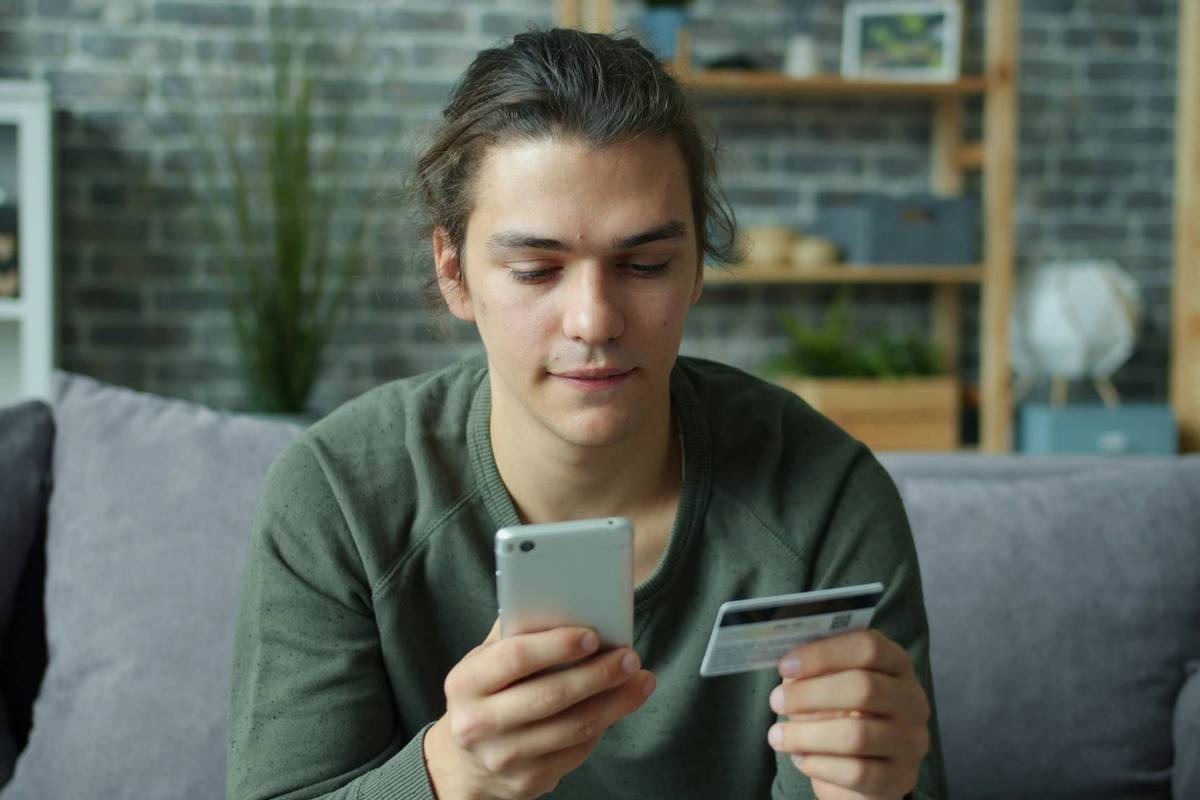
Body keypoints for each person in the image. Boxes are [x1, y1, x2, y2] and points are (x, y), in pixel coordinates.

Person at [227, 27, 947, 800]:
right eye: (536, 271)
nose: (594, 320)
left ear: (697, 268)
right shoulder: (337, 494)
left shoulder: (825, 494)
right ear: (454, 273)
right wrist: (454, 774)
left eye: (645, 264)